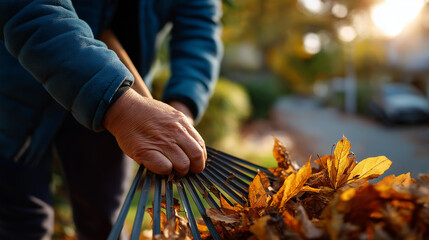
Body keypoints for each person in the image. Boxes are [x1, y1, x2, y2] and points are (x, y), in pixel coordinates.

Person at [0, 0, 222, 239]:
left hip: (124, 106)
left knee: (104, 223)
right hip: (22, 88)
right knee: (22, 221)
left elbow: (198, 26)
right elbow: (31, 8)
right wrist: (121, 107)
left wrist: (182, 105)